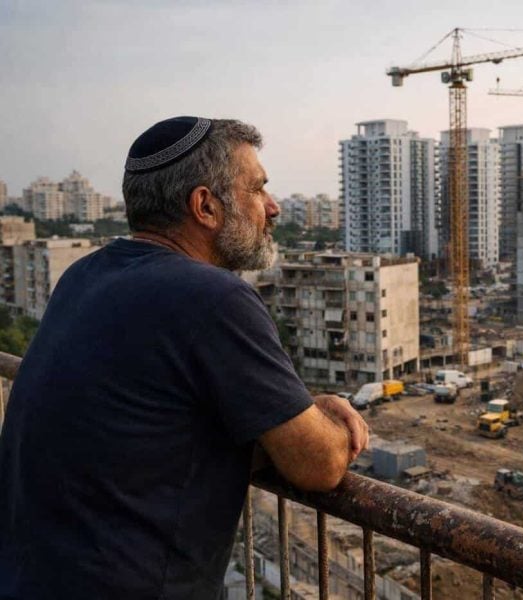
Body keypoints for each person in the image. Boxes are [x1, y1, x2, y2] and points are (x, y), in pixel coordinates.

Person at [0, 116, 369, 599]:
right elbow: (318, 465)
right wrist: (333, 424)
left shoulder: (85, 274)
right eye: (257, 189)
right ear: (205, 206)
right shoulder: (214, 297)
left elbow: (146, 425)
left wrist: (278, 421)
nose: (273, 207)